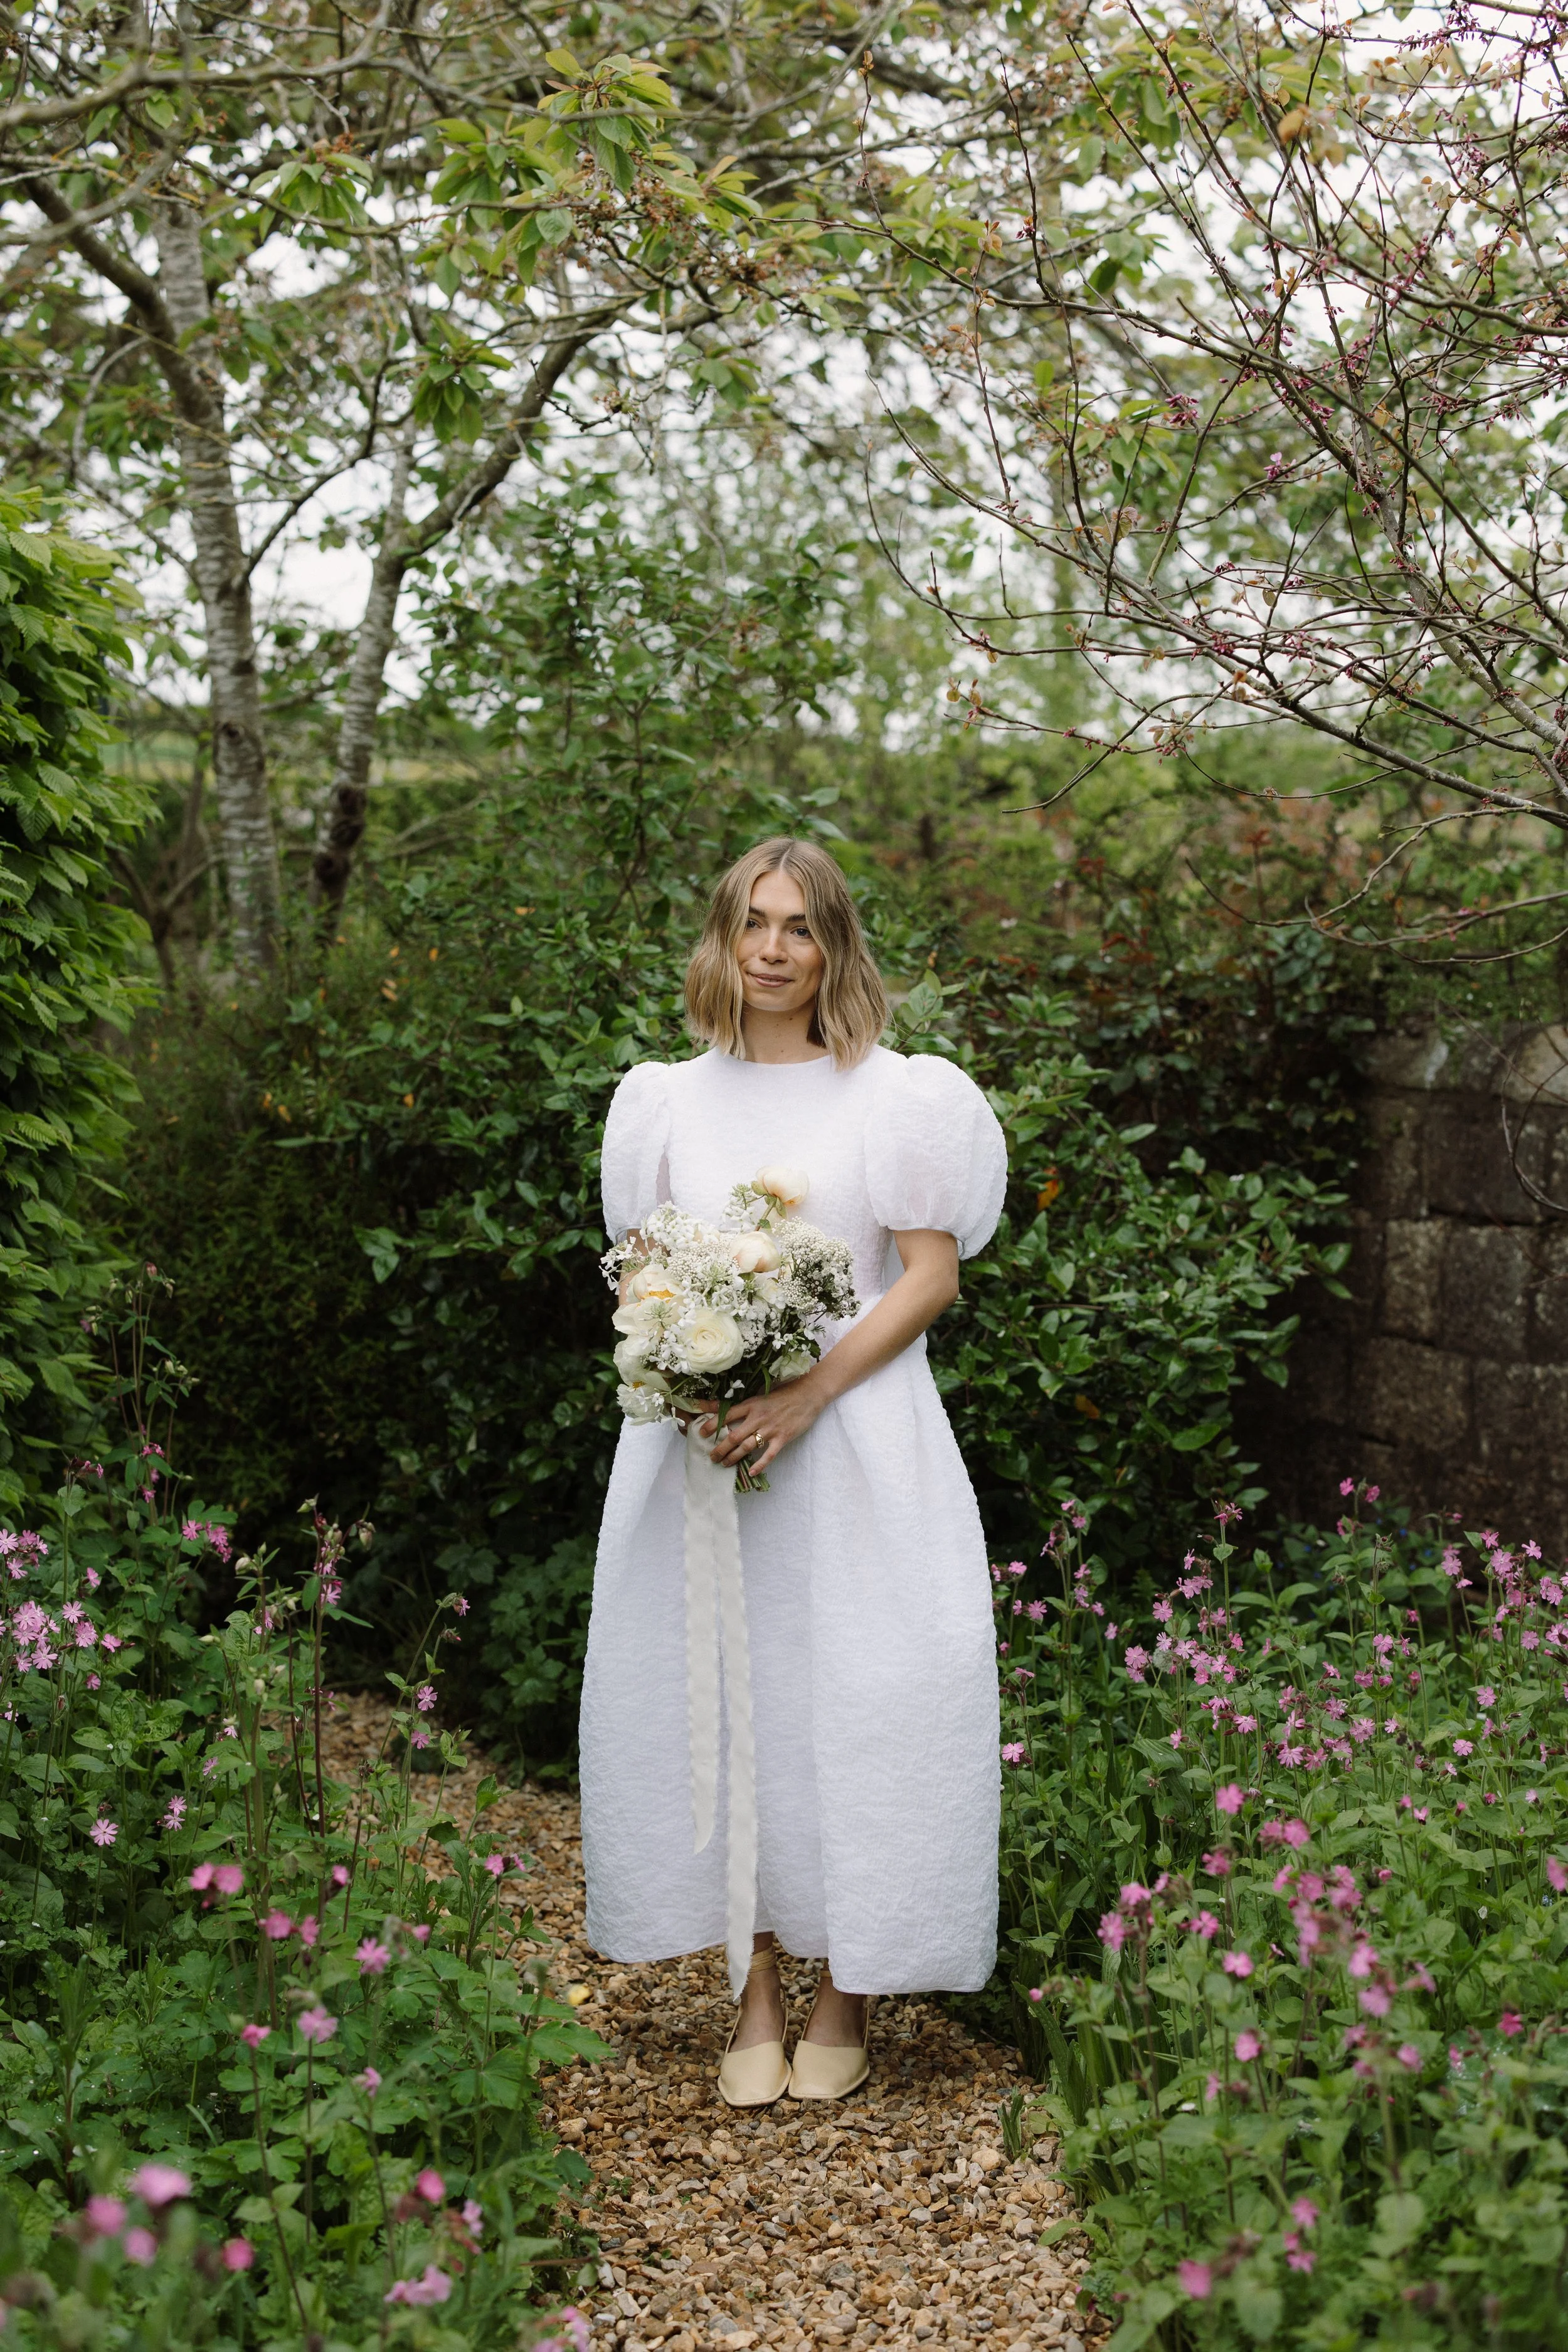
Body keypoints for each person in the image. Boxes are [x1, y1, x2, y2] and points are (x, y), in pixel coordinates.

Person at [580, 836, 1007, 2104]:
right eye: (752, 924)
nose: (772, 950)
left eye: (800, 928)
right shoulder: (662, 1098)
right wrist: (693, 1372)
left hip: (860, 1438)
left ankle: (848, 1995)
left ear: (835, 946)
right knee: (720, 1703)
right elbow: (646, 1270)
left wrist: (807, 1389)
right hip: (702, 1453)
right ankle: (751, 1992)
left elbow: (925, 1276)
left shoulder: (899, 1094)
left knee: (866, 1702)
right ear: (720, 938)